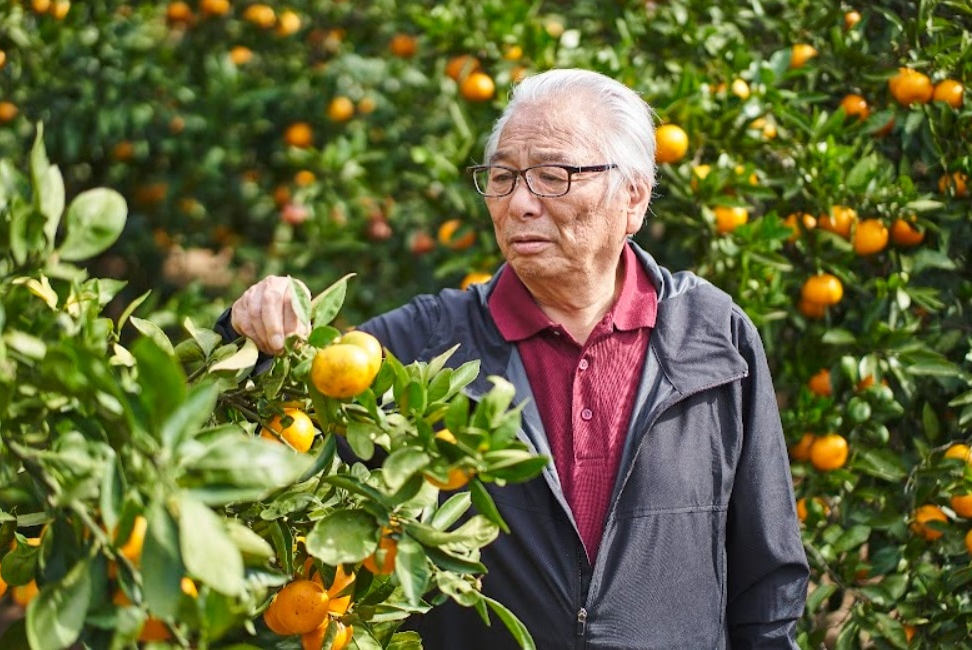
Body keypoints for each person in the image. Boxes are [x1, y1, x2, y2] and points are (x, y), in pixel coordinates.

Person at [223, 68, 809, 649]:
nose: (520, 202)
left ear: (633, 196)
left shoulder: (711, 335)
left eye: (552, 176)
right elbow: (270, 438)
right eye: (502, 177)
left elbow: (767, 579)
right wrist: (250, 337)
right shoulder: (427, 342)